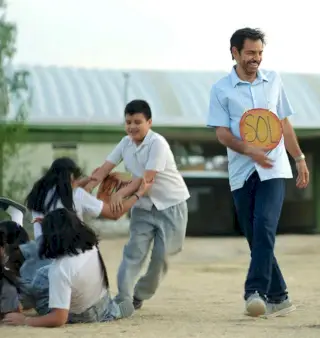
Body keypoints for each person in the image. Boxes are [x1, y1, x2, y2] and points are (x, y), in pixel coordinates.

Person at [206, 27, 309, 318]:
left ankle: (256, 292)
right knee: (255, 237)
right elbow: (222, 134)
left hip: (274, 168)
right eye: (251, 53)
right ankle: (281, 297)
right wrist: (247, 149)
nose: (256, 58)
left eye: (260, 53)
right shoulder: (221, 89)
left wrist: (298, 158)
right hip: (242, 172)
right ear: (235, 52)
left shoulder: (274, 81)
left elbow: (284, 124)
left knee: (264, 225)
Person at [89, 99, 190, 312]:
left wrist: (120, 194)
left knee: (161, 258)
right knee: (133, 253)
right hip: (143, 207)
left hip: (171, 205)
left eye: (137, 122)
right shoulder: (125, 143)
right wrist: (85, 188)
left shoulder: (158, 143)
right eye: (128, 122)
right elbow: (104, 169)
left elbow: (147, 178)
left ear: (149, 122)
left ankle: (139, 294)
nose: (132, 127)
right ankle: (123, 298)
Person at [20, 157, 150, 316]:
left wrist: (86, 182)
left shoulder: (39, 194)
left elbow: (66, 193)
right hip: (71, 253)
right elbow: (114, 214)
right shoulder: (77, 195)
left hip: (43, 255)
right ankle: (110, 309)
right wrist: (138, 194)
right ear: (71, 178)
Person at [2, 209, 131, 327]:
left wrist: (25, 320)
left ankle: (16, 301)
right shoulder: (89, 244)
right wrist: (49, 223)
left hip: (82, 315)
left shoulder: (61, 270)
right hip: (102, 301)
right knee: (44, 272)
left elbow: (59, 318)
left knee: (37, 281)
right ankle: (112, 311)